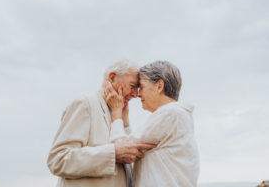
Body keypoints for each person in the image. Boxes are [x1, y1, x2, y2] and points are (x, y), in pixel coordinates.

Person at [47, 59, 155, 187]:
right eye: (132, 86)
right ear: (112, 77)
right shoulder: (85, 103)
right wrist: (113, 153)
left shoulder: (119, 112)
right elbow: (58, 160)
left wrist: (124, 122)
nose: (135, 94)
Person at [104, 60, 200, 187]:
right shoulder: (177, 115)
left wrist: (116, 113)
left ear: (159, 86)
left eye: (142, 87)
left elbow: (121, 148)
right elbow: (132, 146)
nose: (138, 94)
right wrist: (125, 121)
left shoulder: (171, 113)